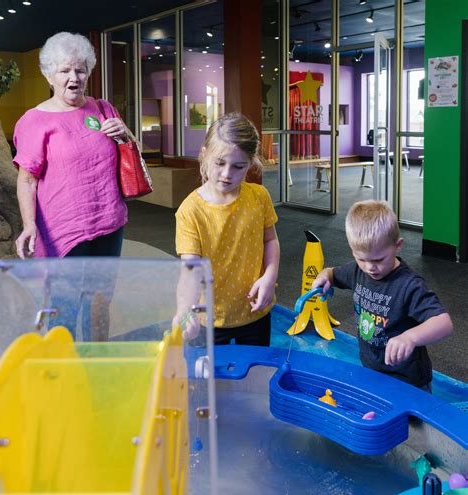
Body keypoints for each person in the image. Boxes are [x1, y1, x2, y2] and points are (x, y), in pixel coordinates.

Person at [312, 200, 453, 390]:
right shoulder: (357, 271)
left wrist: (410, 337)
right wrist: (323, 277)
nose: (370, 267)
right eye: (361, 258)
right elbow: (332, 272)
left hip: (408, 381)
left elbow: (444, 323)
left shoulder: (409, 285)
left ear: (398, 245)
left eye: (379, 259)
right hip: (372, 370)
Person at [13, 31, 130, 259]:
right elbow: (27, 181)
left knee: (101, 293)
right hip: (64, 226)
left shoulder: (103, 108)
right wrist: (29, 225)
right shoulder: (34, 120)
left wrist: (125, 134)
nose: (74, 78)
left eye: (80, 70)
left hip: (109, 220)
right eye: (65, 71)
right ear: (49, 76)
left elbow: (131, 152)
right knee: (67, 293)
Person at [175, 112, 280, 346]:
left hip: (255, 310)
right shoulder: (190, 210)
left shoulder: (259, 197)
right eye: (220, 163)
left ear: (250, 164)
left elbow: (270, 240)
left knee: (254, 373)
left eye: (238, 166)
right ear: (204, 156)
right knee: (212, 379)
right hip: (208, 318)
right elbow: (190, 270)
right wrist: (185, 309)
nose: (226, 174)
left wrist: (269, 277)